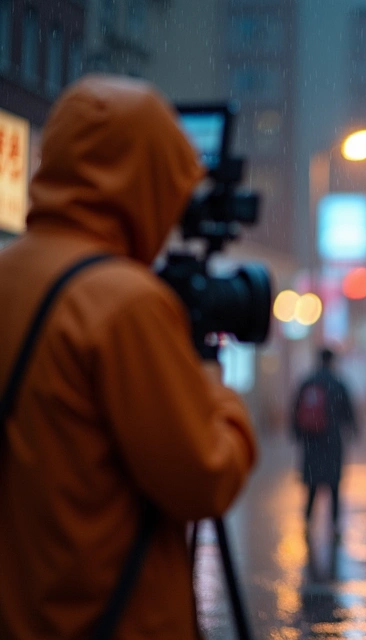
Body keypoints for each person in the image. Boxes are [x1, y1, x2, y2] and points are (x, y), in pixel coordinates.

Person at [0, 76, 258, 638]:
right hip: (113, 618)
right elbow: (203, 477)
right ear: (146, 184)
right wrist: (216, 389)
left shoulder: (10, 274)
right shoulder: (124, 303)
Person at [292, 347, 357, 538]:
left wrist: (297, 433)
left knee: (312, 484)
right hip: (332, 441)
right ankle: (335, 524)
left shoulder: (308, 382)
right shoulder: (338, 383)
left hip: (312, 440)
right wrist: (353, 430)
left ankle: (307, 520)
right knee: (334, 484)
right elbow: (348, 411)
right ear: (332, 361)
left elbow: (296, 410)